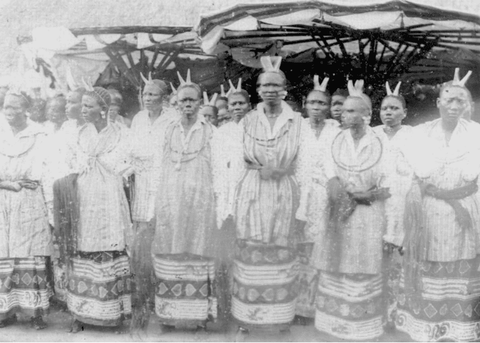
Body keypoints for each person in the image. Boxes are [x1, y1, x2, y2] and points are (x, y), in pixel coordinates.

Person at [227, 56, 310, 333]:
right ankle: (249, 318)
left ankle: (279, 318)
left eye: (276, 85)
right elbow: (237, 161)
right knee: (252, 247)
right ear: (258, 90)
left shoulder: (298, 122)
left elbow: (304, 163)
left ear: (285, 89)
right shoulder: (247, 121)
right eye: (265, 85)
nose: (270, 90)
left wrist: (281, 172)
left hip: (283, 189)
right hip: (253, 188)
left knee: (280, 248)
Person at [396, 69, 480, 342]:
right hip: (430, 210)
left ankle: (458, 329)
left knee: (462, 263)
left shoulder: (477, 133)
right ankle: (425, 328)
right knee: (429, 261)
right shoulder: (420, 133)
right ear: (438, 103)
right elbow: (405, 170)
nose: (454, 106)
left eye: (460, 101)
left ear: (467, 104)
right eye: (449, 100)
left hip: (465, 209)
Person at [312, 80, 397, 340]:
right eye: (345, 110)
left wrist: (368, 194)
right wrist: (335, 184)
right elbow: (325, 168)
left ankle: (362, 329)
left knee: (361, 265)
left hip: (368, 213)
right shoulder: (336, 139)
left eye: (352, 111)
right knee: (336, 263)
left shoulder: (381, 141)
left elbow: (390, 182)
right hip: (339, 210)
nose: (345, 115)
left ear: (367, 115)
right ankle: (333, 326)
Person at [60, 86, 133, 333]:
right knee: (84, 243)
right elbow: (70, 162)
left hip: (109, 193)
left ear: (103, 110)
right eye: (82, 106)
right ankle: (81, 313)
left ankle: (110, 313)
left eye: (88, 106)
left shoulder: (121, 132)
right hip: (85, 193)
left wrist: (103, 164)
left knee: (108, 244)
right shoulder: (79, 133)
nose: (83, 110)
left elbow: (126, 162)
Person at [152, 71, 217, 330]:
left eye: (192, 100)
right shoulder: (166, 131)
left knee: (197, 251)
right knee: (171, 251)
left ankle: (196, 315)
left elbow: (218, 171)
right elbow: (157, 168)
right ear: (176, 104)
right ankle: (169, 315)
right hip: (171, 202)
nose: (188, 105)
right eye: (183, 101)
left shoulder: (212, 132)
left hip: (200, 203)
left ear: (201, 103)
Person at [127, 73, 177, 331]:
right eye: (145, 94)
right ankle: (142, 306)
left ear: (164, 98)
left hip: (164, 184)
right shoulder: (137, 119)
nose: (148, 99)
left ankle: (166, 307)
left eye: (153, 94)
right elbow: (132, 152)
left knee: (163, 245)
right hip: (143, 184)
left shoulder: (173, 120)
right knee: (141, 247)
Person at [0, 89, 53, 330]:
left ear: (27, 110)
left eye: (15, 107)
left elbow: (43, 171)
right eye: (6, 107)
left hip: (29, 200)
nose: (9, 112)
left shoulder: (40, 134)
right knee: (4, 253)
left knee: (30, 253)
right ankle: (5, 309)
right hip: (3, 199)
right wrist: (7, 183)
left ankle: (35, 312)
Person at [295, 75, 340, 322]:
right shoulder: (296, 127)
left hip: (324, 196)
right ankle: (298, 306)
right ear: (305, 104)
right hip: (301, 194)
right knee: (299, 247)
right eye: (312, 103)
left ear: (329, 106)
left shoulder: (335, 130)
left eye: (322, 103)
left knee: (321, 247)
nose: (317, 108)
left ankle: (317, 307)